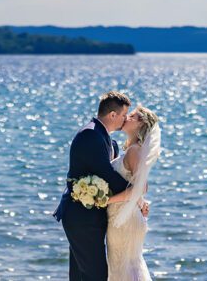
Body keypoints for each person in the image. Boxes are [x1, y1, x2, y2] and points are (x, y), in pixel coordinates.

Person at [55, 91, 141, 281]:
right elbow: (106, 173)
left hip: (92, 216)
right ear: (112, 115)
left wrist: (135, 196)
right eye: (123, 115)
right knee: (96, 275)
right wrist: (134, 193)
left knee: (81, 275)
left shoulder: (108, 139)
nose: (125, 119)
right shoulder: (90, 135)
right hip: (81, 216)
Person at [107, 105, 162, 280]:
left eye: (132, 116)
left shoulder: (134, 151)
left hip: (124, 220)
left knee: (123, 269)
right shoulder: (133, 150)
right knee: (128, 268)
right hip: (127, 216)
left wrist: (106, 201)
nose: (127, 118)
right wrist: (140, 203)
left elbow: (141, 187)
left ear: (141, 125)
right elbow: (134, 188)